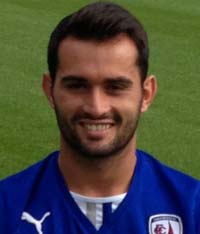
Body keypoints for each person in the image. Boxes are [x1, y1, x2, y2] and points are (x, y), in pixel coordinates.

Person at [0, 2, 199, 234]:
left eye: (115, 87)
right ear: (50, 90)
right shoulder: (6, 209)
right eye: (77, 86)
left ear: (146, 94)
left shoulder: (191, 209)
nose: (96, 107)